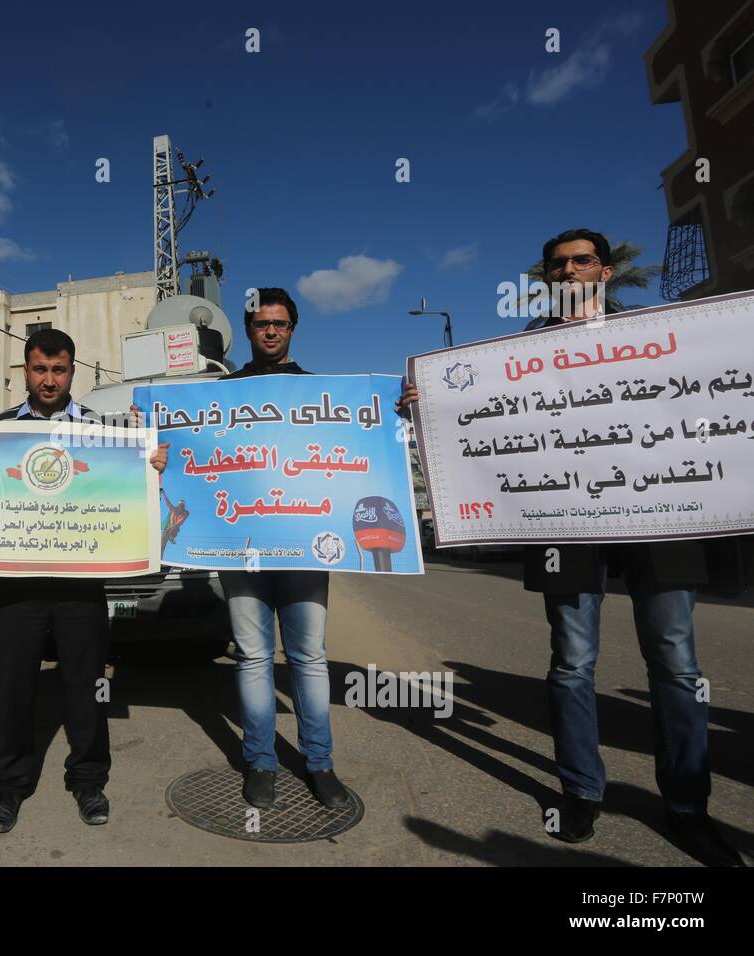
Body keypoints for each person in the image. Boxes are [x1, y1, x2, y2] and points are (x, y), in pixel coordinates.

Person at [397, 229, 745, 867]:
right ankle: (581, 791)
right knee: (571, 661)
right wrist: (424, 405)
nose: (567, 270)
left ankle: (689, 809)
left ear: (605, 273)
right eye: (556, 264)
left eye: (580, 260)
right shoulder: (520, 353)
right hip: (567, 527)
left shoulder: (662, 335)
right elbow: (473, 416)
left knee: (676, 662)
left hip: (660, 515)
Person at [0, 328, 168, 833]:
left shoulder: (104, 434)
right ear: (25, 371)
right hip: (16, 590)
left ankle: (88, 780)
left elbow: (126, 490)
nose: (48, 379)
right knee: (11, 687)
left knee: (86, 688)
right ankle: (8, 787)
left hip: (80, 589)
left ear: (72, 372)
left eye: (58, 370)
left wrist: (149, 467)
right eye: (39, 369)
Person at [213, 288, 351, 812]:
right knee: (252, 657)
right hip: (241, 549)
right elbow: (186, 449)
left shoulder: (324, 394)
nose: (271, 331)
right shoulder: (221, 393)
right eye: (262, 323)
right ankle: (261, 762)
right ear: (248, 330)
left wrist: (399, 410)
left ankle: (319, 763)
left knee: (309, 658)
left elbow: (364, 442)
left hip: (302, 551)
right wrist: (149, 439)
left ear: (293, 328)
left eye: (280, 323)